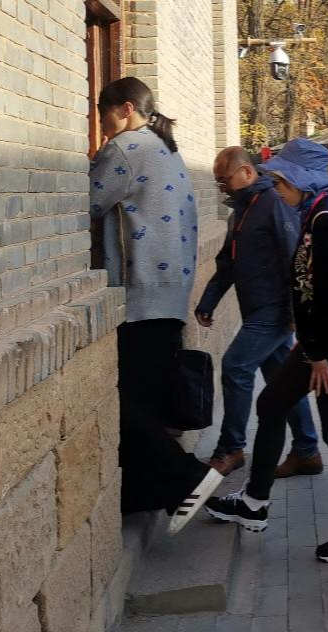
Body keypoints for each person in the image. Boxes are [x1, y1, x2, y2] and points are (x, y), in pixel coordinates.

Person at [204, 139, 328, 564]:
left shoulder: (326, 220)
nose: (277, 188)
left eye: (282, 181)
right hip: (321, 343)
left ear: (304, 181)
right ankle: (255, 502)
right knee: (271, 402)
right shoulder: (313, 214)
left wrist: (317, 353)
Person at [88, 77, 221, 534]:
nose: (101, 124)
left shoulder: (126, 148)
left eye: (103, 114)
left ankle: (190, 477)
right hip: (169, 294)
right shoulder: (167, 149)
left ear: (125, 109)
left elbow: (86, 201)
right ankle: (142, 495)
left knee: (127, 405)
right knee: (145, 400)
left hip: (140, 297)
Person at [195, 146, 323, 478]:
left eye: (224, 180)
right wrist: (208, 301)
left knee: (235, 366)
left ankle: (232, 448)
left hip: (275, 310)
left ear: (247, 172)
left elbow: (293, 258)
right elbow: (227, 262)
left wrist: (297, 315)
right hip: (256, 310)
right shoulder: (241, 210)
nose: (222, 187)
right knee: (283, 382)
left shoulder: (274, 203)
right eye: (218, 182)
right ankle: (307, 451)